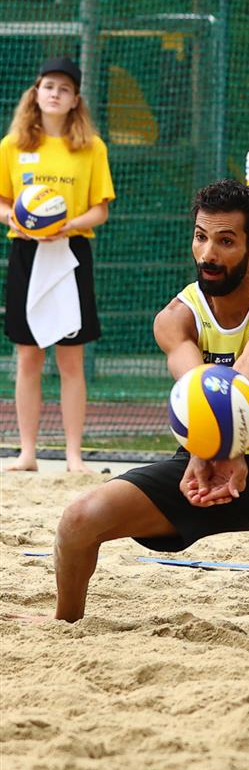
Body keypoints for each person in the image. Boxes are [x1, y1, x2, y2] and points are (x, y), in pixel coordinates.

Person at [44, 179, 249, 638]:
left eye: (225, 241)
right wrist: (210, 453)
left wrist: (231, 446)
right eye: (201, 237)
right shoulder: (176, 317)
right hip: (203, 464)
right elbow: (197, 389)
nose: (208, 254)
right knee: (78, 520)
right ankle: (65, 625)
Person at [0, 57, 114, 473]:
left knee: (70, 360)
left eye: (64, 89)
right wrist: (16, 220)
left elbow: (101, 210)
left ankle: (73, 456)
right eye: (48, 86)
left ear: (75, 100)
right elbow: (3, 202)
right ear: (36, 92)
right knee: (28, 357)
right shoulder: (13, 145)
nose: (55, 93)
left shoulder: (91, 147)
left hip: (71, 253)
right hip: (27, 253)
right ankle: (27, 453)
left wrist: (68, 225)